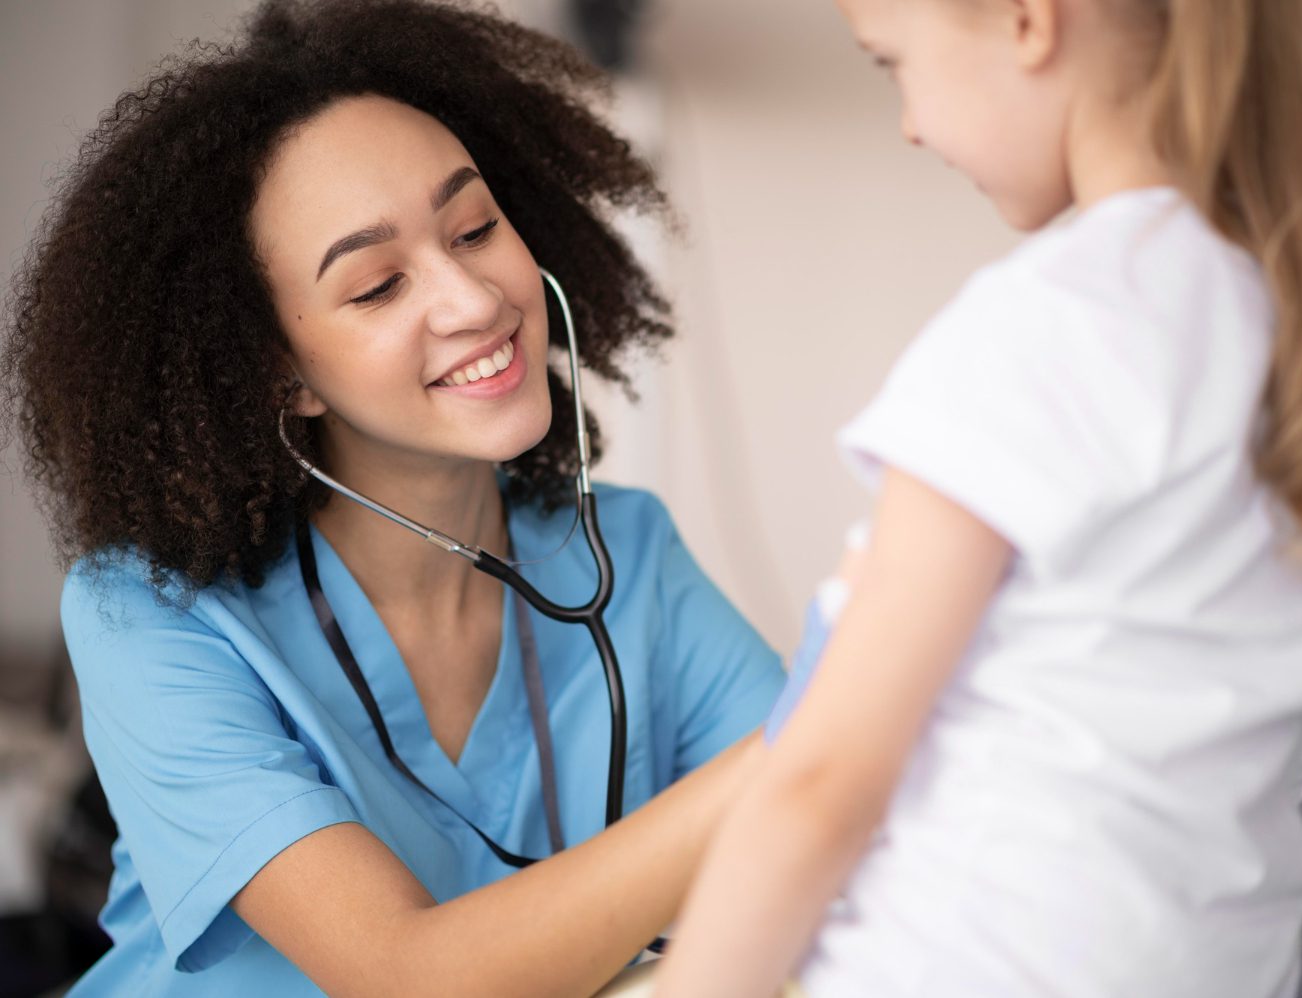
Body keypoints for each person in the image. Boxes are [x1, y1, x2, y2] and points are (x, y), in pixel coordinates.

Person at [655, 0, 1302, 995]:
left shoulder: (1045, 326)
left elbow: (820, 789)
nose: (909, 122)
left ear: (1030, 21)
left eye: (893, 63)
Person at [1, 1, 785, 994]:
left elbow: (846, 835)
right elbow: (407, 976)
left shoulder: (628, 556)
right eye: (378, 287)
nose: (473, 300)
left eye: (475, 227)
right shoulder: (152, 617)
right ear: (281, 372)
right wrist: (813, 740)